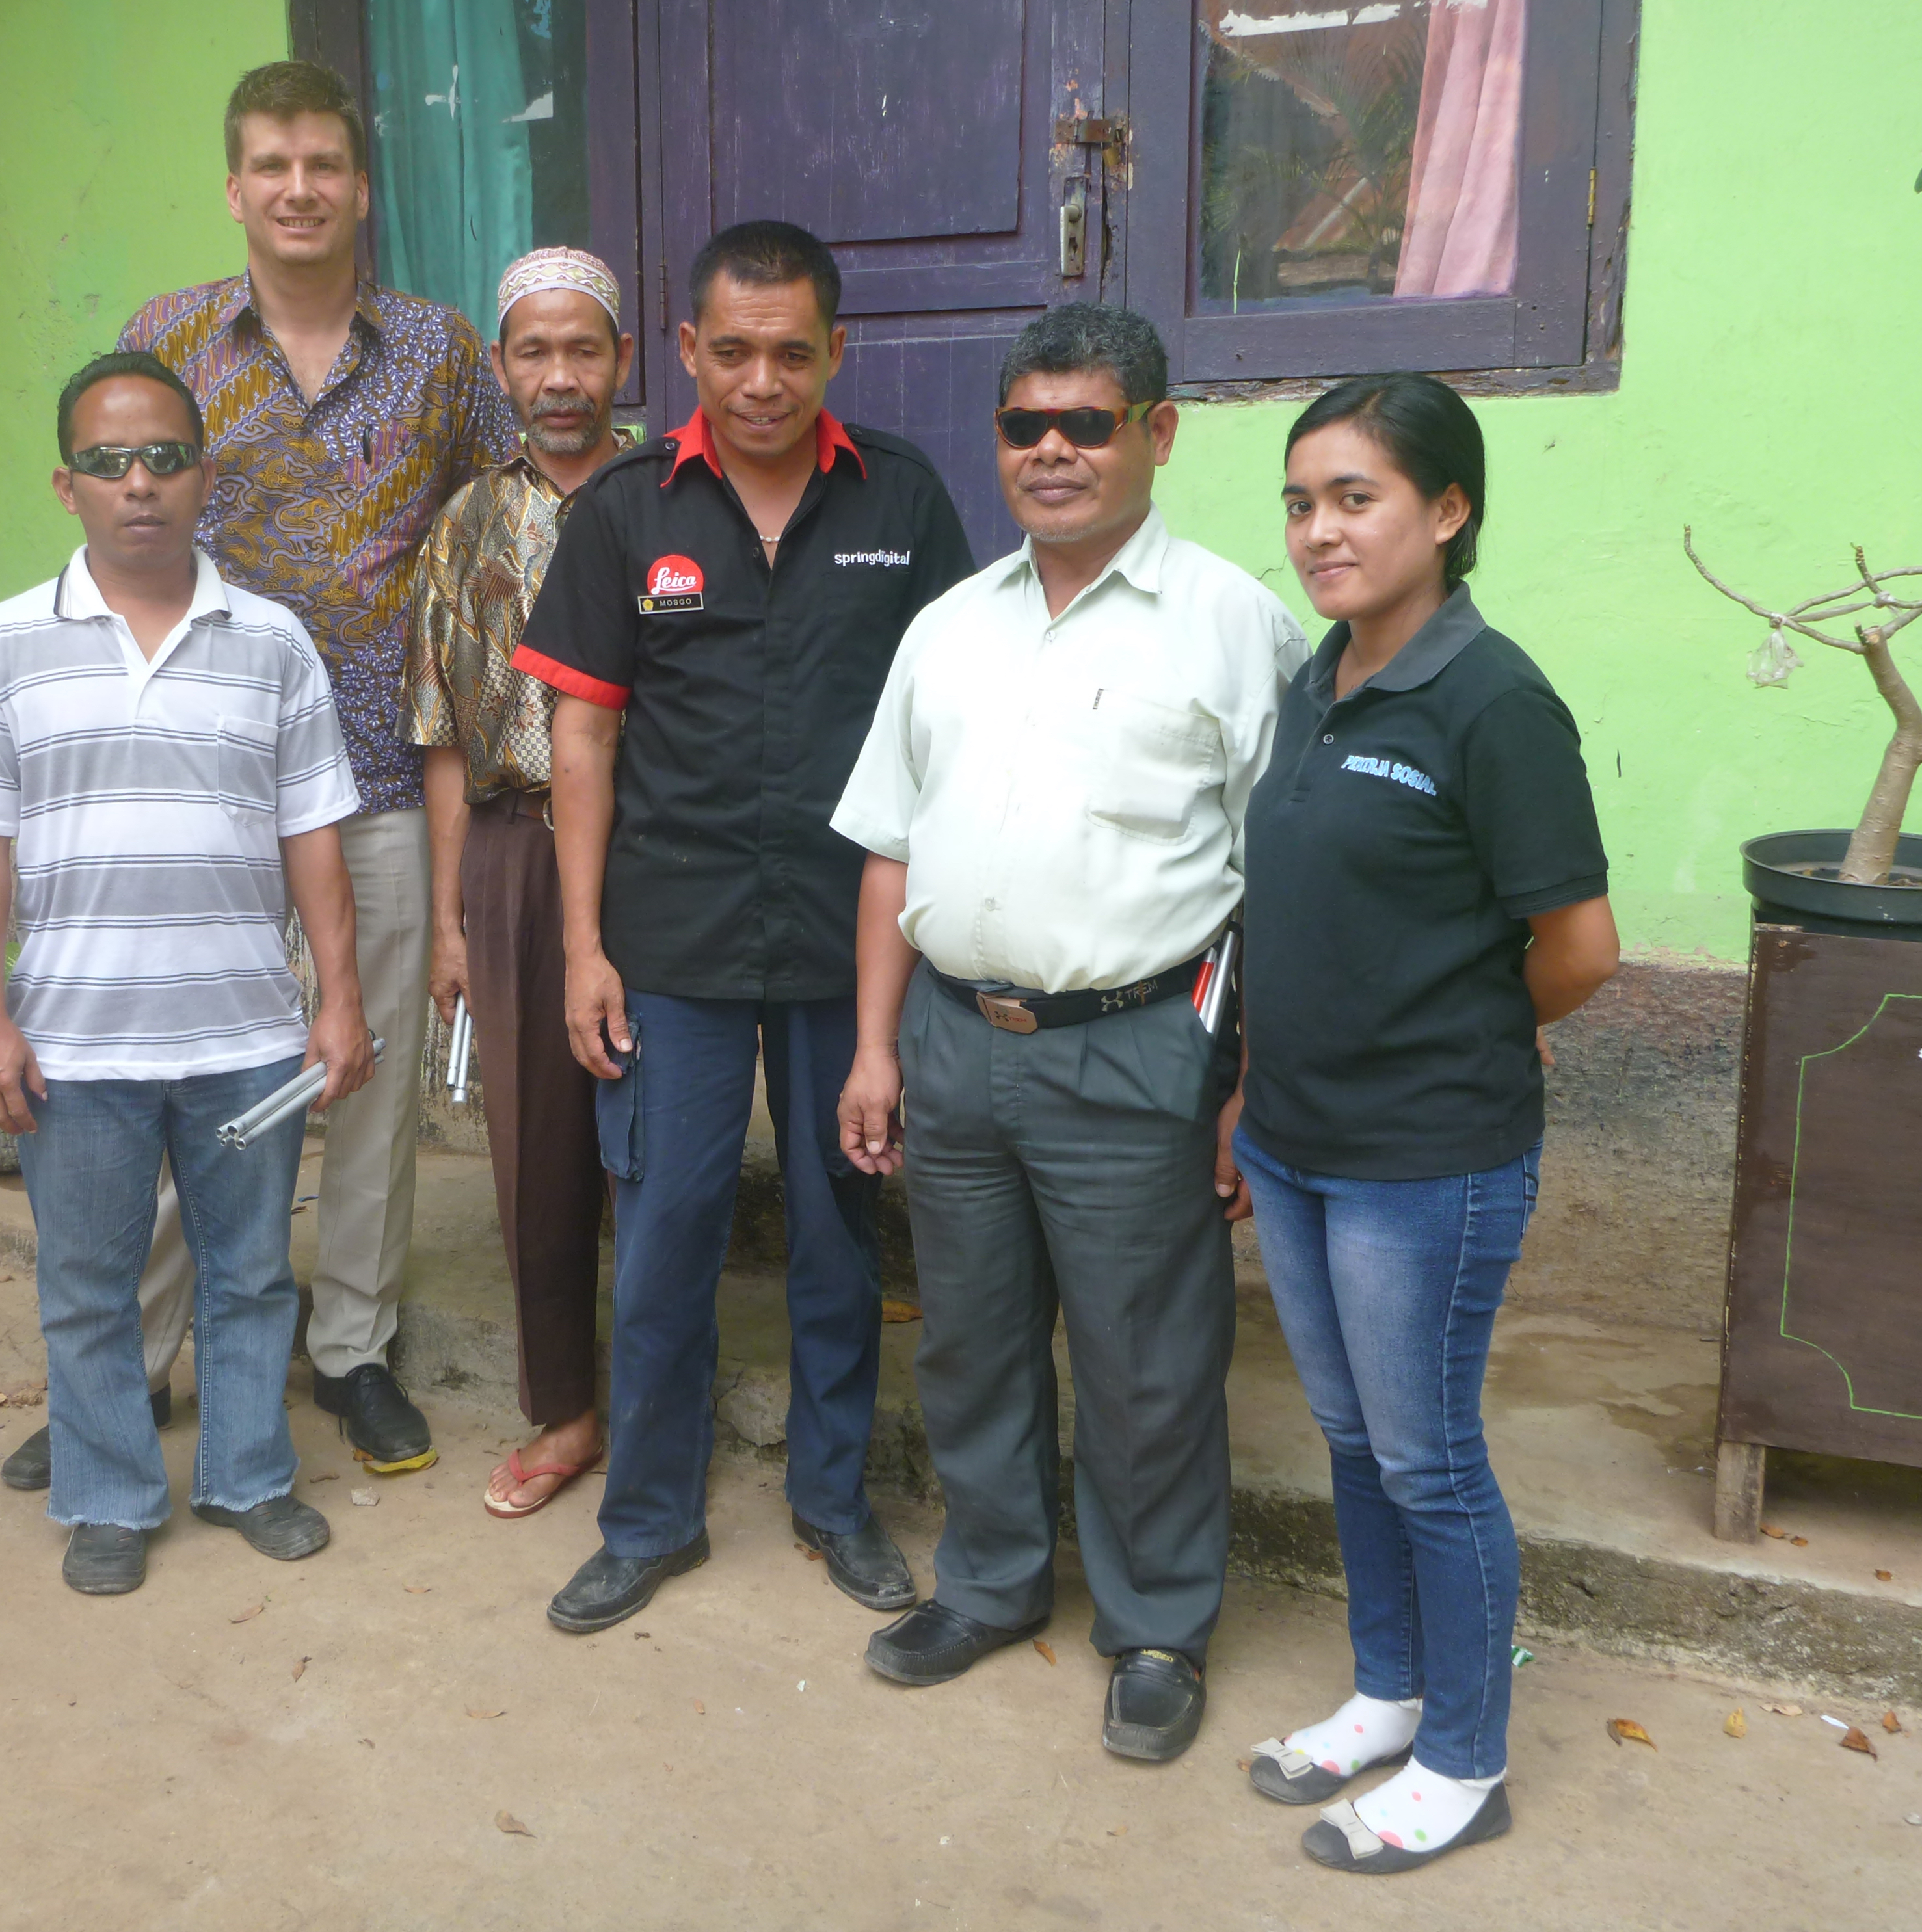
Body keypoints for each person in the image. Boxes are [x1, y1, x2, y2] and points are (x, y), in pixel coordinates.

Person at [831, 304, 1306, 1761]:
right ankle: (985, 1582)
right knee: (969, 1344)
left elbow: (1284, 876)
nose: (1051, 451)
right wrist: (874, 1049)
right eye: (1024, 426)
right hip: (955, 1040)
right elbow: (887, 854)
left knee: (1144, 1356)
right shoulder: (946, 626)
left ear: (1155, 434)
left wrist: (1248, 1082)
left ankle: (1155, 1621)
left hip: (1138, 1045)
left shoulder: (1234, 625)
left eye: (1085, 424)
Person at [513, 220, 978, 1633]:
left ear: (835, 352)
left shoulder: (901, 500)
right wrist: (585, 949)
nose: (761, 380)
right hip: (675, 947)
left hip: (854, 947)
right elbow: (580, 745)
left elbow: (946, 725)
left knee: (843, 1235)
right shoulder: (625, 514)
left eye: (791, 352)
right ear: (687, 353)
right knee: (662, 1238)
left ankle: (834, 1506)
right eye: (732, 351)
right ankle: (648, 1518)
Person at [99, 59, 513, 1481]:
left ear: (359, 183)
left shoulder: (443, 351)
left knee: (372, 1081)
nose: (297, 189)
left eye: (322, 164)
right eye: (270, 166)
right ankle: (136, 1363)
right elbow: (121, 514)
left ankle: (352, 1349)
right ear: (235, 188)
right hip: (210, 780)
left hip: (388, 779)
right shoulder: (168, 340)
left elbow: (496, 522)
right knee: (191, 1076)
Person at [1231, 373, 1618, 1870]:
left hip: (1426, 1159)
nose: (1317, 531)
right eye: (1298, 501)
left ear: (1445, 512)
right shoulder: (1316, 679)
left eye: (1354, 499)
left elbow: (1574, 952)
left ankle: (1463, 1762)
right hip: (1296, 1139)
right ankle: (1387, 1691)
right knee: (1350, 1438)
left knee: (1429, 1458)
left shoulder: (1492, 699)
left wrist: (1439, 1043)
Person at [0, 351, 375, 1596]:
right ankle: (111, 1496)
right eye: (111, 462)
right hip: (74, 1043)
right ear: (65, 485)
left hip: (243, 1037)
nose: (140, 484)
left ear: (204, 477)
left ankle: (247, 1479)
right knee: (86, 1287)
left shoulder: (272, 642)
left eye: (166, 458)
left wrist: (337, 1000)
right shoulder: (3, 647)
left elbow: (314, 839)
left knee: (247, 1274)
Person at [399, 247, 635, 1518]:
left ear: (622, 361)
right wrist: (448, 921)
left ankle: (655, 1402)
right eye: (533, 352)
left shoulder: (671, 495)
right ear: (500, 368)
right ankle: (567, 1410)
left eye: (582, 348)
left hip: (659, 848)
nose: (559, 376)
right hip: (510, 849)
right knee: (532, 1148)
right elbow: (442, 739)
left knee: (663, 1136)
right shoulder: (464, 526)